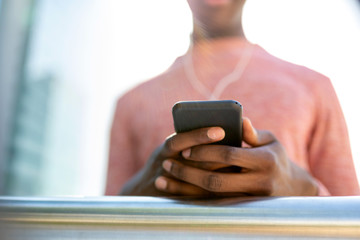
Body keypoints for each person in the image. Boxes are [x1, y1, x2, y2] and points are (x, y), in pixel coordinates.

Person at [105, 0, 360, 196]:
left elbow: (352, 219)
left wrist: (302, 188)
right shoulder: (131, 103)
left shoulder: (314, 87)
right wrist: (144, 187)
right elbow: (101, 226)